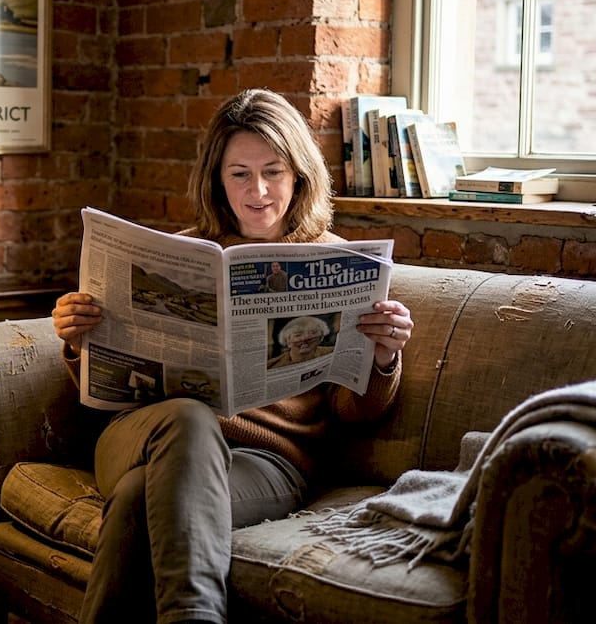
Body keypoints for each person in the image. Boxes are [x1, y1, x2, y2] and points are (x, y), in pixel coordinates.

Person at [52, 88, 414, 624]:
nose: (259, 190)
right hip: (142, 436)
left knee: (135, 501)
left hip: (265, 464)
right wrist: (79, 340)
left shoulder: (340, 264)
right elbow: (113, 381)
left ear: (298, 175)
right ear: (218, 181)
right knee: (189, 416)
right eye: (239, 173)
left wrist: (383, 357)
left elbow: (351, 409)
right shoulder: (184, 253)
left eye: (273, 171)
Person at [266, 314, 334, 368]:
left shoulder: (331, 352)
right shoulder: (271, 366)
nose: (305, 339)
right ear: (287, 341)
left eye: (312, 333)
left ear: (321, 338)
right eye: (298, 335)